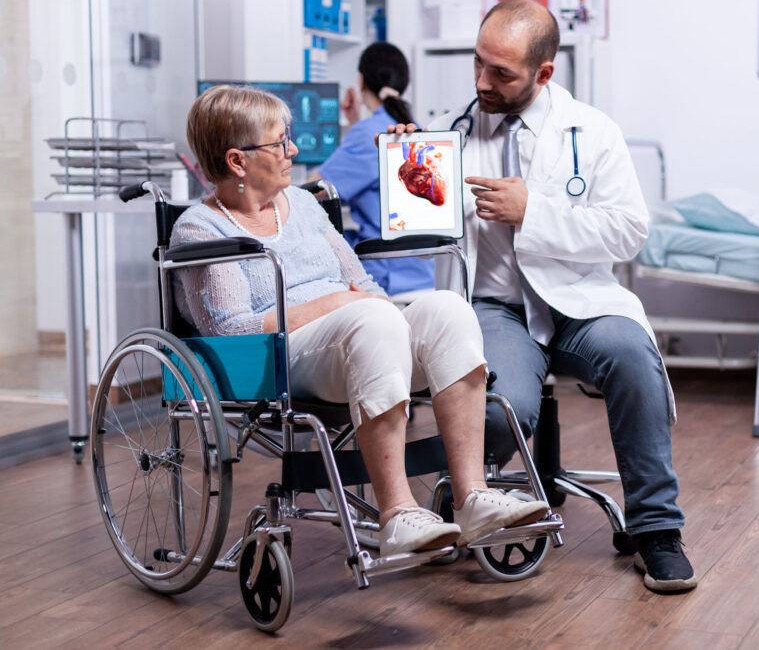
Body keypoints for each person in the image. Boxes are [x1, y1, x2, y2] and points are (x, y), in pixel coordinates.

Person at [387, 0, 696, 593]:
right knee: (503, 412)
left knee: (634, 361)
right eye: (478, 65)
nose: (482, 83)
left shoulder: (594, 131)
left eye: (501, 73)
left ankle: (655, 529)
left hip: (578, 302)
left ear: (544, 73)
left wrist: (536, 213)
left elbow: (629, 231)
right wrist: (409, 169)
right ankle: (466, 485)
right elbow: (421, 235)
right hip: (496, 308)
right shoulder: (450, 135)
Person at [172, 84, 547, 558]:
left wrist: (395, 321)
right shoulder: (200, 229)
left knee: (445, 308)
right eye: (278, 142)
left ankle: (471, 496)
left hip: (357, 336)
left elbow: (362, 284)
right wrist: (336, 305)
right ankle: (397, 514)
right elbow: (230, 329)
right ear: (237, 161)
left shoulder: (304, 205)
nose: (293, 149)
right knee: (370, 318)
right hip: (279, 360)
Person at [311, 42, 434, 295]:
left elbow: (313, 191)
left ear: (361, 80)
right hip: (421, 274)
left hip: (386, 276)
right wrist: (356, 121)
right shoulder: (412, 126)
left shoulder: (367, 134)